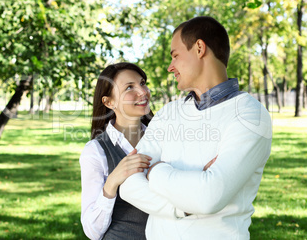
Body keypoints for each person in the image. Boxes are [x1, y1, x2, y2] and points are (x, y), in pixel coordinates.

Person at [120, 16, 273, 239]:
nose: (170, 67)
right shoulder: (168, 114)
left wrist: (155, 172)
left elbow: (208, 197)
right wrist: (184, 207)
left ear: (200, 48)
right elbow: (128, 184)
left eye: (175, 56)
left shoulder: (250, 115)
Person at [80, 62, 154, 240]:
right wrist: (112, 182)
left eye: (142, 83)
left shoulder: (163, 138)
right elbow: (92, 232)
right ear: (109, 102)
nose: (143, 92)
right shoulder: (95, 151)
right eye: (130, 87)